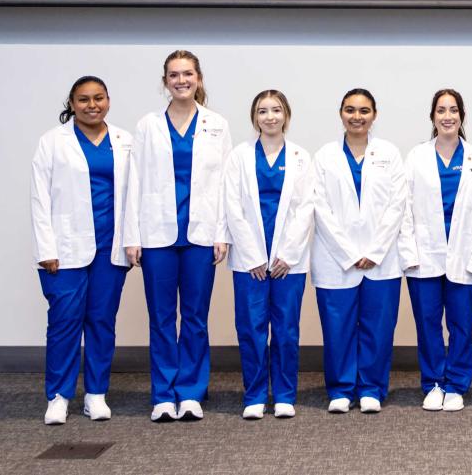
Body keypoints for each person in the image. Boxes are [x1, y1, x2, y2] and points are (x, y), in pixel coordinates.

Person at [123, 50, 233, 422]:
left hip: (201, 235)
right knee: (161, 318)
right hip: (157, 236)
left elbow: (225, 185)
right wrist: (132, 235)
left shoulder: (216, 124)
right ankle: (163, 395)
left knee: (196, 317)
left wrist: (223, 232)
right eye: (174, 75)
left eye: (188, 74)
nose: (181, 80)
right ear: (165, 81)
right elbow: (134, 182)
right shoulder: (148, 125)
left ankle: (191, 392)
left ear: (199, 78)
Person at [30, 76, 132, 425]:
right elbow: (39, 199)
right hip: (65, 248)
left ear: (108, 100)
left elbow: (134, 196)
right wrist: (46, 246)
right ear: (72, 104)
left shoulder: (124, 141)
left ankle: (96, 394)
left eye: (99, 98)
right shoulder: (52, 142)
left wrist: (132, 241)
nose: (92, 105)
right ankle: (58, 396)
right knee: (64, 323)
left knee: (102, 321)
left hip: (110, 248)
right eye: (84, 99)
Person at [311, 88, 409, 414]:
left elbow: (398, 205)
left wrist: (375, 250)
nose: (357, 116)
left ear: (374, 115)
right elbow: (320, 208)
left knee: (378, 327)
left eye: (364, 110)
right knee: (337, 327)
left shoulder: (390, 154)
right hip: (335, 259)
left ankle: (371, 388)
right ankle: (340, 388)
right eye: (350, 110)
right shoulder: (324, 156)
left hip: (382, 259)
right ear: (341, 113)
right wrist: (350, 252)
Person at [223, 89, 315, 420]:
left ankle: (285, 394)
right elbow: (232, 206)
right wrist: (252, 255)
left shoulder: (302, 157)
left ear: (286, 115)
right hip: (252, 262)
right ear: (254, 117)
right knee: (251, 328)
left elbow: (306, 207)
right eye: (263, 111)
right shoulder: (239, 156)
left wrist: (288, 253)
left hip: (288, 262)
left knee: (287, 329)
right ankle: (255, 395)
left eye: (276, 110)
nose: (270, 116)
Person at [401, 89, 472, 412]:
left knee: (461, 324)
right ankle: (434, 382)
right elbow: (405, 208)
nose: (448, 116)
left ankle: (456, 384)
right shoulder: (416, 157)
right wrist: (408, 253)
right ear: (432, 117)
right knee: (427, 324)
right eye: (441, 110)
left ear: (462, 116)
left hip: (465, 254)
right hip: (425, 256)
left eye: (454, 110)